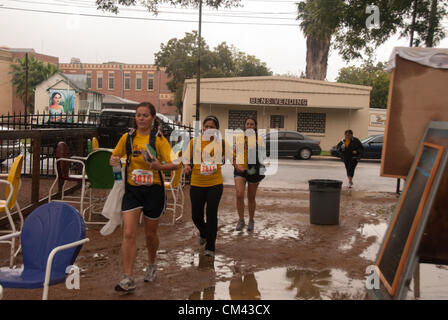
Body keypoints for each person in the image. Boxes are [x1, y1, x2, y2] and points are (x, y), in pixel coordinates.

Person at [109, 102, 178, 292]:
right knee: (129, 232)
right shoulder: (128, 138)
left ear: (153, 118)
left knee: (150, 234)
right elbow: (113, 157)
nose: (141, 118)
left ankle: (151, 263)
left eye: (145, 115)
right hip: (132, 190)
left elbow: (176, 163)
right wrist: (113, 160)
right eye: (138, 115)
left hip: (153, 191)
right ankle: (128, 277)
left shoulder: (159, 140)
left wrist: (159, 166)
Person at [183, 115, 231, 258]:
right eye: (206, 126)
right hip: (197, 183)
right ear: (203, 128)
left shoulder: (221, 143)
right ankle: (204, 232)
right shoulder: (194, 142)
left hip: (215, 184)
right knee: (196, 216)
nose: (208, 129)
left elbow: (232, 156)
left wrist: (239, 166)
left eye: (212, 127)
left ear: (217, 129)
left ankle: (211, 245)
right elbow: (186, 157)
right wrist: (186, 166)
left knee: (211, 214)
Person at [233, 117, 265, 232]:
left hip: (253, 170)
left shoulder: (259, 139)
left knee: (251, 197)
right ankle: (241, 220)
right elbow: (233, 155)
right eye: (247, 124)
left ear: (255, 126)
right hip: (240, 170)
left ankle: (251, 220)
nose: (249, 126)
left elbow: (263, 157)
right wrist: (237, 166)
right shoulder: (239, 138)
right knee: (239, 194)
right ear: (245, 126)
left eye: (252, 124)